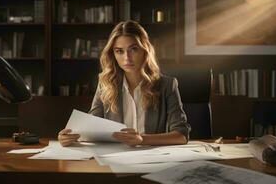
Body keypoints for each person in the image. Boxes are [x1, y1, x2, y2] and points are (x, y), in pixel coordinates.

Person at [58, 20, 191, 147]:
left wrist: (142, 139)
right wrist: (69, 136)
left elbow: (181, 135)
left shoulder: (167, 85)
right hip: (114, 158)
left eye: (133, 49)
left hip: (152, 158)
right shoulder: (106, 85)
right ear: (113, 54)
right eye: (119, 51)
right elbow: (92, 129)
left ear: (145, 50)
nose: (127, 58)